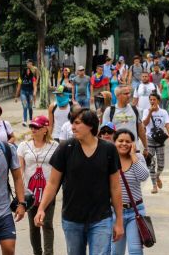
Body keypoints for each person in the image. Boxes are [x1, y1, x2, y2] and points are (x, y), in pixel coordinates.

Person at [34, 109, 124, 255]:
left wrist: (119, 221)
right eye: (72, 123)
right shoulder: (65, 148)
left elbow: (115, 187)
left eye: (77, 123)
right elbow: (52, 183)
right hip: (72, 219)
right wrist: (41, 208)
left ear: (90, 126)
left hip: (101, 218)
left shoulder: (108, 150)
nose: (72, 127)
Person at [17, 116, 59, 255]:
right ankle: (37, 253)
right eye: (32, 127)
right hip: (30, 192)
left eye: (36, 127)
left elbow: (58, 169)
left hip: (48, 191)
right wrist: (21, 193)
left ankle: (48, 253)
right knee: (33, 226)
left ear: (45, 129)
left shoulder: (54, 146)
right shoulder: (24, 146)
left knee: (47, 224)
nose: (33, 130)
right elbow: (20, 171)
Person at [0, 114, 26, 255]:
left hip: (3, 213)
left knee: (9, 249)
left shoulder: (6, 149)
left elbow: (17, 178)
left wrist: (22, 203)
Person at [112, 129, 149, 255]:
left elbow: (143, 176)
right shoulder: (109, 159)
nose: (124, 144)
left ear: (133, 143)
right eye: (120, 141)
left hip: (135, 211)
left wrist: (133, 155)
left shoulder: (138, 157)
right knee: (116, 251)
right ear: (114, 142)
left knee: (135, 250)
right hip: (115, 213)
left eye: (128, 141)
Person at [103, 86, 149, 157]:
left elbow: (141, 130)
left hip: (134, 150)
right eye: (126, 93)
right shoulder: (109, 111)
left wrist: (146, 147)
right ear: (118, 96)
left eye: (129, 93)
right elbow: (106, 133)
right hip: (117, 151)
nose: (129, 95)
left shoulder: (135, 109)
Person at [141, 92, 169, 194]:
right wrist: (150, 112)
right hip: (149, 139)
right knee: (151, 163)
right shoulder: (146, 111)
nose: (152, 101)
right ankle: (154, 185)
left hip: (160, 140)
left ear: (158, 101)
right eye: (151, 100)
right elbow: (144, 124)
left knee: (161, 165)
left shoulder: (164, 112)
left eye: (154, 99)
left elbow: (167, 124)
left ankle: (157, 176)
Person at [16, 62, 37, 126]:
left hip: (30, 92)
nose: (28, 72)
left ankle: (31, 120)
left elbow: (35, 86)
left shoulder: (32, 77)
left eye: (29, 71)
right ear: (25, 71)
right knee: (25, 106)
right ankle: (24, 121)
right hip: (23, 93)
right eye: (27, 71)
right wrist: (16, 96)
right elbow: (18, 87)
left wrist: (34, 92)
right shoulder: (21, 77)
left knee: (30, 107)